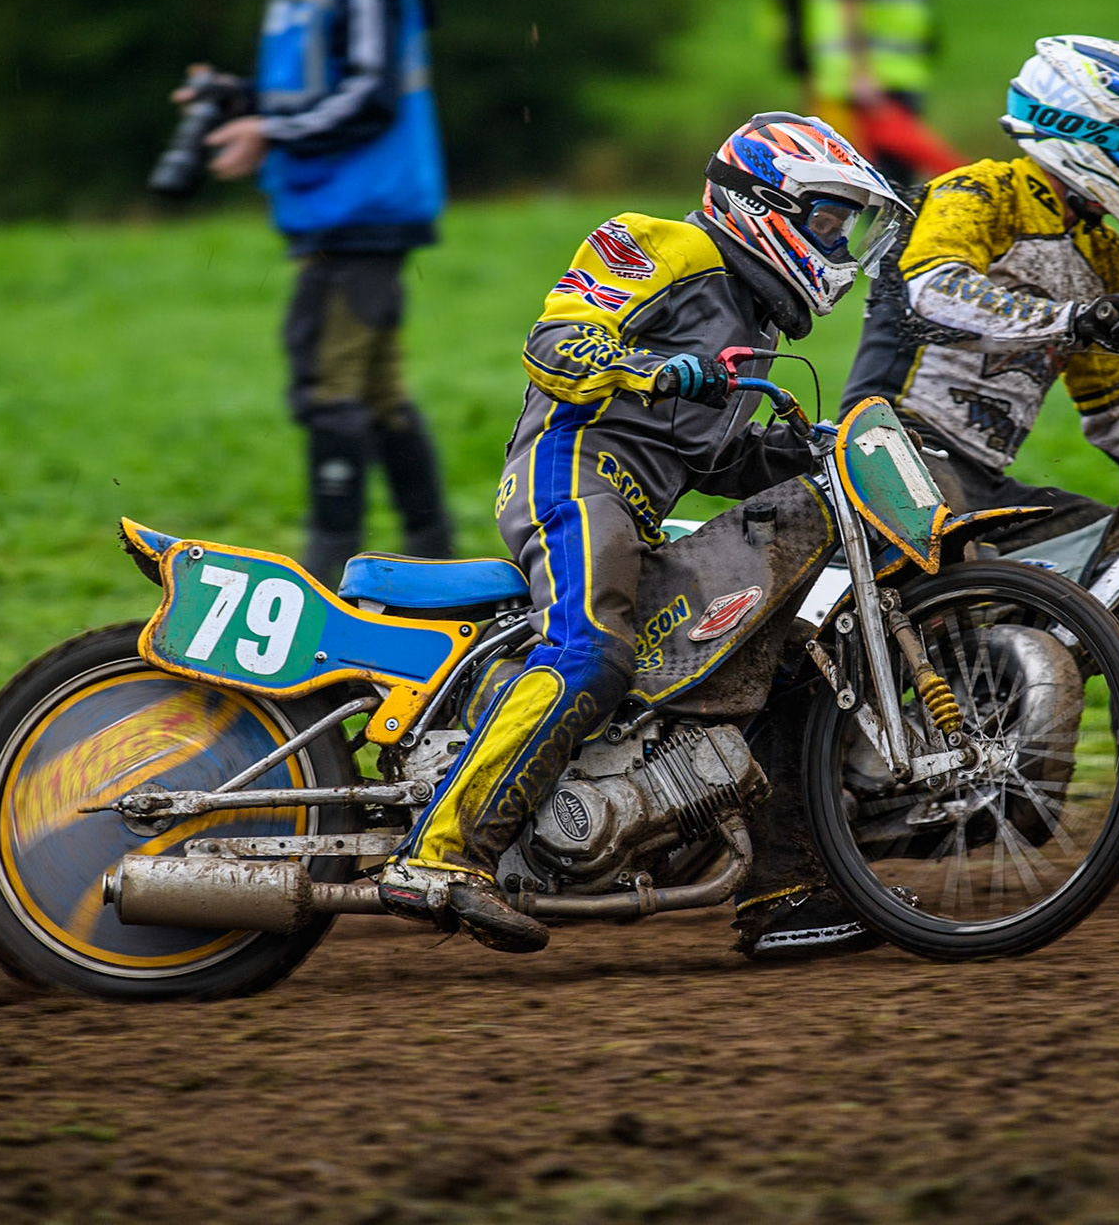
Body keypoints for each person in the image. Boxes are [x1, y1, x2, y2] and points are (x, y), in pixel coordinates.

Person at [377, 114, 910, 955]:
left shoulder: (754, 323)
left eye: (844, 228)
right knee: (593, 649)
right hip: (573, 471)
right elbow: (555, 342)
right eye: (826, 222)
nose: (837, 244)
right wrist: (647, 368)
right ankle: (441, 855)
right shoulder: (659, 243)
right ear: (763, 204)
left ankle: (784, 893)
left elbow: (716, 455)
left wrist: (803, 449)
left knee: (773, 657)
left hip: (640, 508)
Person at [841, 35, 1119, 538]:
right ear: (1079, 128)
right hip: (892, 446)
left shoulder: (1103, 253)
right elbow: (935, 289)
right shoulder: (979, 190)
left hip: (979, 476)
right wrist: (1070, 320)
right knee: (973, 575)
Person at [188, 0, 454, 586]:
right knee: (377, 395)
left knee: (327, 388)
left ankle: (328, 570)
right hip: (337, 210)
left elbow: (370, 95)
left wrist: (269, 135)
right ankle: (438, 555)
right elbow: (313, 90)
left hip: (364, 210)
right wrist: (240, 101)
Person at [796, 0, 962, 184]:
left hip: (899, 72)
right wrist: (861, 73)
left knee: (899, 170)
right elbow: (850, 2)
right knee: (882, 173)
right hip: (872, 80)